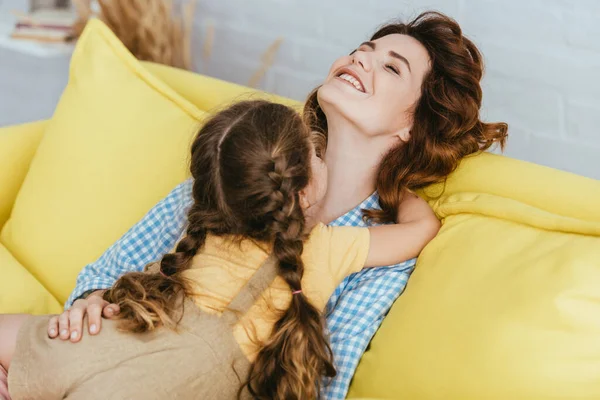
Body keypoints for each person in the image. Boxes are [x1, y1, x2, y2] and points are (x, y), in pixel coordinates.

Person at [48, 11, 508, 399]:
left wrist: (399, 190)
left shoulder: (377, 260)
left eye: (392, 68)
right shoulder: (249, 160)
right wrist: (89, 305)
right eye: (363, 49)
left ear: (414, 124)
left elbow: (325, 382)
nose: (360, 59)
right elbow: (104, 274)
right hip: (94, 359)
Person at [0, 100, 439, 400]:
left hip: (114, 339)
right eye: (316, 157)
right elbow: (421, 229)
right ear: (303, 193)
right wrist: (395, 188)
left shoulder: (205, 225)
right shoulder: (330, 247)